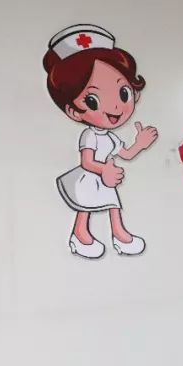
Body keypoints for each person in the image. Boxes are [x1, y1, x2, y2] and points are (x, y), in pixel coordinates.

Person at [45, 24, 158, 258]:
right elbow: (86, 162)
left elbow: (125, 153)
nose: (116, 107)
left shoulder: (110, 136)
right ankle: (80, 234)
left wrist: (140, 144)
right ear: (73, 111)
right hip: (90, 177)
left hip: (106, 177)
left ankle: (119, 234)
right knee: (85, 206)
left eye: (123, 93)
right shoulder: (89, 135)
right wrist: (103, 170)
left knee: (113, 205)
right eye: (93, 101)